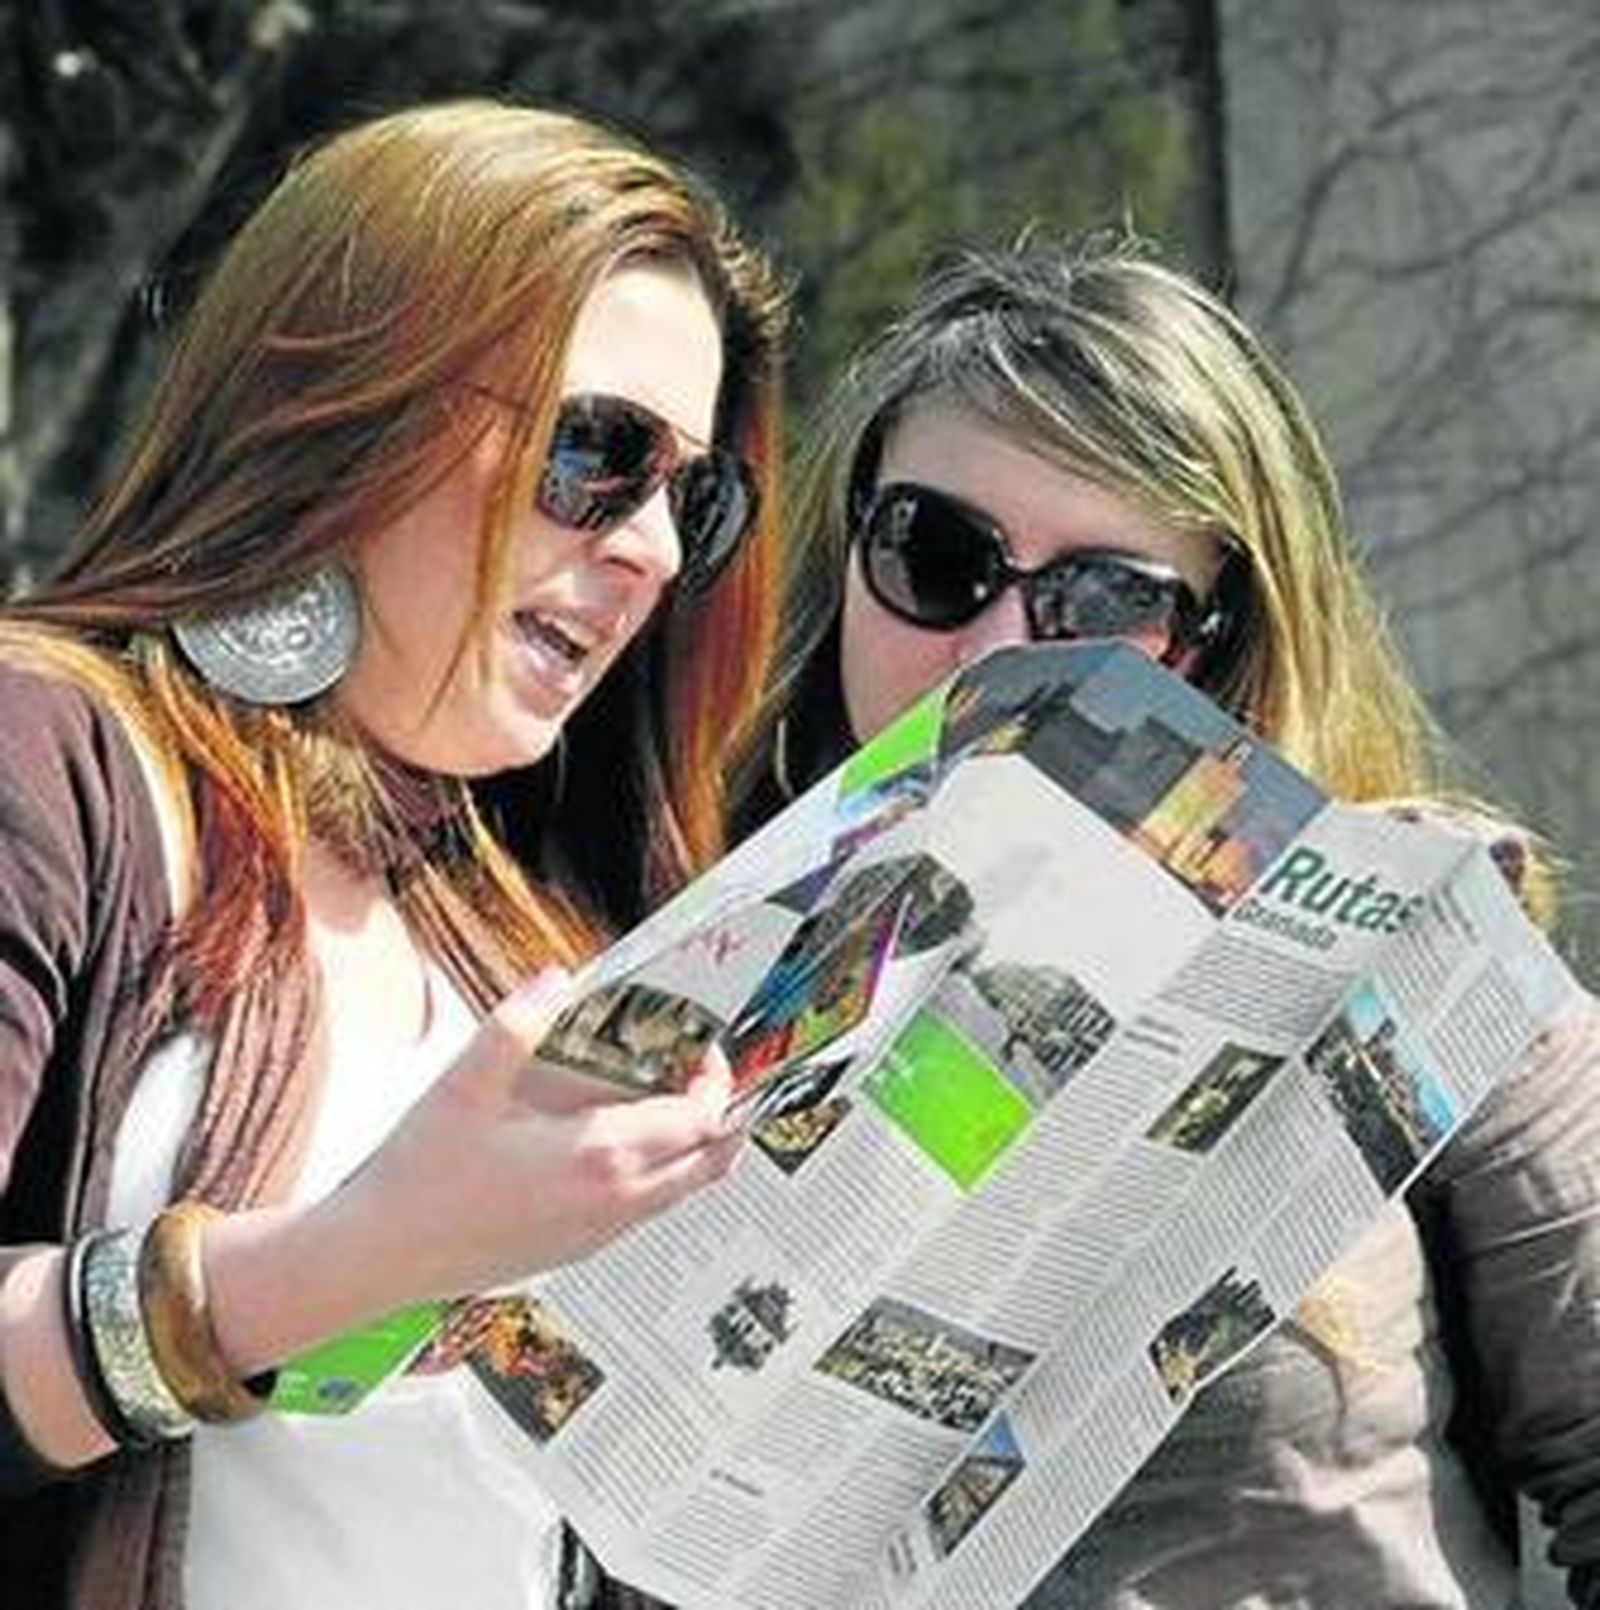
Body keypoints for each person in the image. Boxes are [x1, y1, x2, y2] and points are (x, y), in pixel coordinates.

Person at [0, 99, 787, 1610]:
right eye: (597, 452)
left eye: (700, 496)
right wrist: (345, 1258)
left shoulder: (553, 910)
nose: (658, 551)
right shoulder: (58, 758)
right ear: (363, 396)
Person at [739, 236, 1600, 1607]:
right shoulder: (673, 956)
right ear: (848, 551)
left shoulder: (1420, 941)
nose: (995, 652)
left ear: (1219, 636)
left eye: (1103, 599)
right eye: (937, 554)